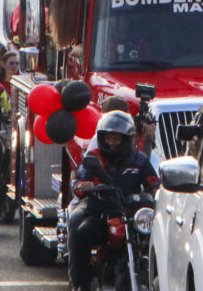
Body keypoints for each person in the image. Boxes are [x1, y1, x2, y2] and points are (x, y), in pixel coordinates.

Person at [68, 111, 158, 291]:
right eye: (108, 138)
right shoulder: (94, 157)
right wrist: (84, 186)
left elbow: (153, 182)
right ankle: (82, 282)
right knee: (80, 232)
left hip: (130, 215)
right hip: (100, 210)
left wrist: (157, 191)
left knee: (153, 237)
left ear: (126, 139)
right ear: (102, 138)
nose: (112, 143)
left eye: (117, 139)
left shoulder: (139, 160)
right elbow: (79, 180)